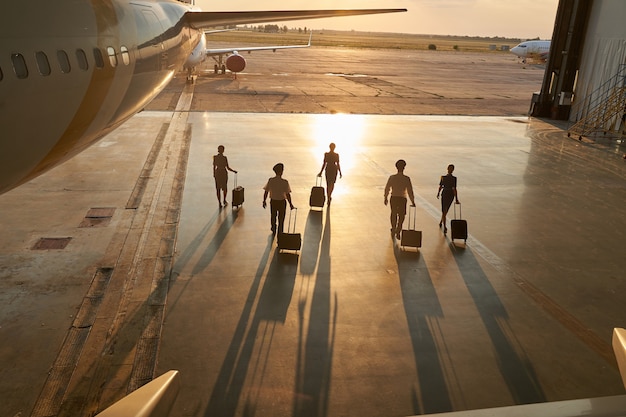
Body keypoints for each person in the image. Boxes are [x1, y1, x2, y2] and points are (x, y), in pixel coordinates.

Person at [384, 159, 416, 239]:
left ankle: (393, 228)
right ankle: (398, 229)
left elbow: (387, 188)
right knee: (402, 215)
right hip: (402, 198)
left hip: (394, 197)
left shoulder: (392, 177)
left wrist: (385, 197)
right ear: (404, 168)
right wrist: (412, 201)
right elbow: (410, 191)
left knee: (393, 213)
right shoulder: (406, 179)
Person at [263, 163, 295, 235]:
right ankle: (280, 231)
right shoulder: (285, 182)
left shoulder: (271, 180)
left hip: (273, 201)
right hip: (282, 202)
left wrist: (264, 201)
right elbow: (287, 194)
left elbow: (266, 191)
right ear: (281, 171)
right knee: (281, 218)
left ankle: (273, 228)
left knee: (273, 216)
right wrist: (291, 204)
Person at [436, 164, 460, 234]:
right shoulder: (454, 178)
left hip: (445, 193)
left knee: (444, 210)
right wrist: (456, 199)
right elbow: (454, 189)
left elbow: (440, 186)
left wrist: (438, 193)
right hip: (450, 195)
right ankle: (444, 226)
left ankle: (442, 222)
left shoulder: (443, 177)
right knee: (446, 210)